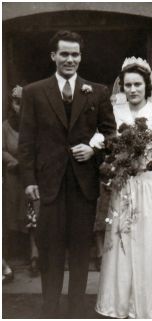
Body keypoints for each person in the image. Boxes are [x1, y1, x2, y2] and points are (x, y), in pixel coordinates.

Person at [18, 30, 116, 318]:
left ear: (80, 57)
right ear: (54, 56)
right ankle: (49, 310)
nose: (70, 59)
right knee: (50, 251)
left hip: (83, 185)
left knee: (80, 251)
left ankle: (75, 310)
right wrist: (29, 180)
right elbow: (26, 141)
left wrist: (94, 150)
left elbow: (111, 134)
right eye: (64, 54)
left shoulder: (97, 91)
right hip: (48, 184)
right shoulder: (34, 92)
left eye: (75, 54)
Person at [96, 57, 152, 319]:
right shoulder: (114, 112)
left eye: (137, 85)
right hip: (125, 185)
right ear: (121, 87)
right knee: (123, 239)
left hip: (151, 186)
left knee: (150, 241)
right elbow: (102, 137)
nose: (132, 90)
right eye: (127, 85)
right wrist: (102, 147)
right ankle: (119, 304)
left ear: (148, 85)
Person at [2, 85, 39, 276]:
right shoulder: (5, 127)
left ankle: (35, 257)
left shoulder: (35, 125)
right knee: (11, 217)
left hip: (32, 178)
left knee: (34, 218)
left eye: (24, 104)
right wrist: (13, 161)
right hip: (14, 178)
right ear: (12, 104)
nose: (20, 108)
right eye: (17, 103)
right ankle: (7, 259)